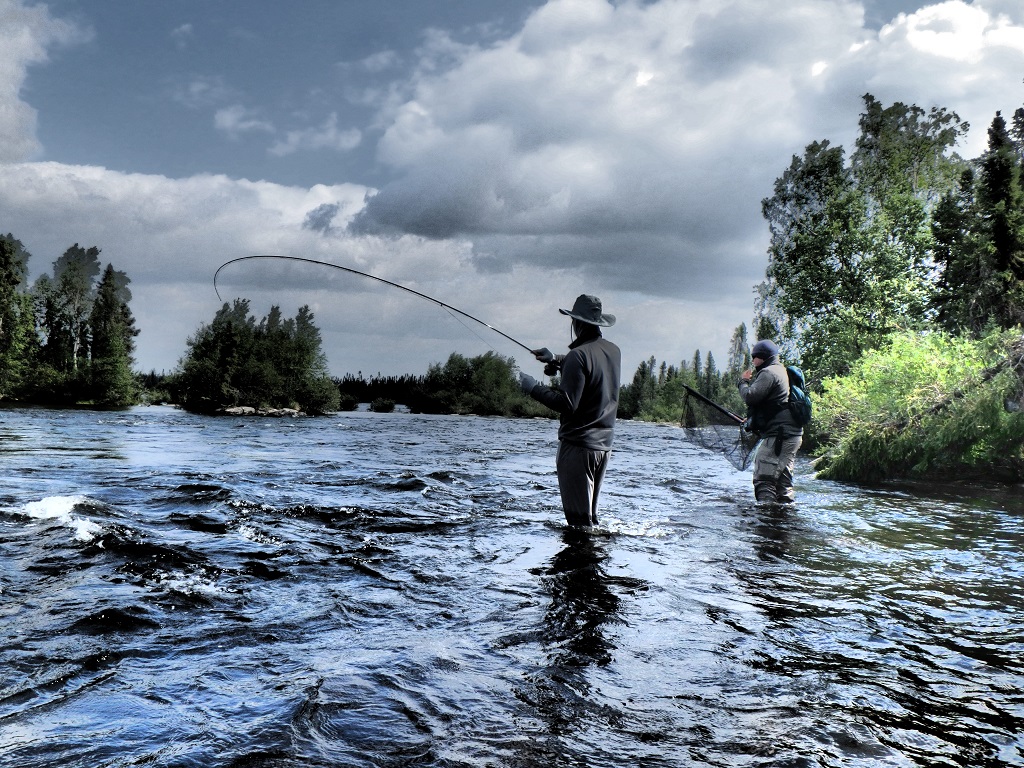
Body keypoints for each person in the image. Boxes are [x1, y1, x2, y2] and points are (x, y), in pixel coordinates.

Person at [519, 294, 621, 527]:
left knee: (578, 526)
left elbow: (567, 404)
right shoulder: (614, 352)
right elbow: (589, 363)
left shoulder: (578, 356)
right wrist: (555, 358)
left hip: (577, 448)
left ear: (578, 323)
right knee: (590, 521)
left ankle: (583, 562)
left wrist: (532, 388)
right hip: (603, 448)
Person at [738, 339, 803, 504]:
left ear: (763, 357)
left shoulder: (769, 372)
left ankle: (766, 524)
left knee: (764, 480)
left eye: (754, 357)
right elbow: (776, 405)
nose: (753, 361)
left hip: (780, 436)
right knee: (783, 484)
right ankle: (785, 521)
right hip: (792, 435)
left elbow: (751, 396)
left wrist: (743, 382)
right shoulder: (782, 371)